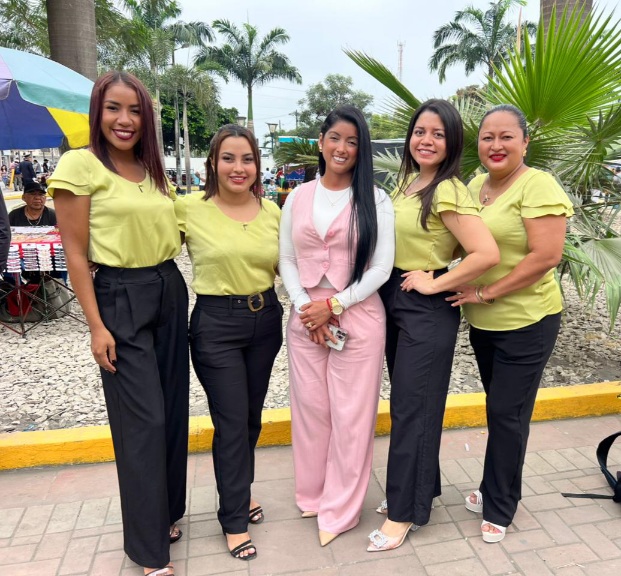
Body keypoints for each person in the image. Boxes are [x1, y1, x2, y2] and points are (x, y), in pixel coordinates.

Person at [47, 71, 189, 576]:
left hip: (168, 287)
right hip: (119, 295)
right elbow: (74, 251)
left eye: (134, 110)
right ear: (97, 112)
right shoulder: (80, 164)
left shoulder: (152, 171)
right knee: (142, 421)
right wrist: (95, 326)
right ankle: (149, 553)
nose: (124, 120)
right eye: (113, 108)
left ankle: (165, 515)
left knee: (171, 411)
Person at [367, 99, 499, 552]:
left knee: (413, 408)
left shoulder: (448, 190)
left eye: (438, 134)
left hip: (424, 308)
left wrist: (437, 279)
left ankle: (404, 512)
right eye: (420, 131)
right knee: (410, 404)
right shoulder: (408, 183)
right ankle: (419, 489)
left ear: (452, 142)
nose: (426, 140)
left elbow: (486, 253)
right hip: (395, 298)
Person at [447, 104, 573, 544]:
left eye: (506, 137)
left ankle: (500, 504)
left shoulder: (538, 185)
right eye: (488, 137)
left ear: (525, 142)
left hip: (528, 321)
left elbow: (546, 256)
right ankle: (491, 486)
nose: (496, 145)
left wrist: (486, 292)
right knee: (500, 410)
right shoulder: (475, 185)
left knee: (507, 413)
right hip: (485, 324)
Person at [279, 105, 395, 547]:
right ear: (321, 142)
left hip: (357, 315)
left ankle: (342, 508)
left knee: (351, 416)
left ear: (361, 149)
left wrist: (334, 305)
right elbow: (287, 258)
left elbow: (381, 267)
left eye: (352, 141)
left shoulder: (375, 200)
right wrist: (305, 307)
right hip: (306, 317)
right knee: (311, 410)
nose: (342, 148)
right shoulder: (298, 196)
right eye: (335, 138)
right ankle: (313, 493)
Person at [175, 124, 282, 561]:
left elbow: (291, 267)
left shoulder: (273, 211)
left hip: (266, 320)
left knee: (251, 419)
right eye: (228, 158)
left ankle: (240, 491)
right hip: (216, 324)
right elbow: (151, 252)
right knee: (233, 421)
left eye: (247, 159)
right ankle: (234, 520)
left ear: (257, 165)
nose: (239, 168)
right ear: (213, 164)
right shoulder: (188, 208)